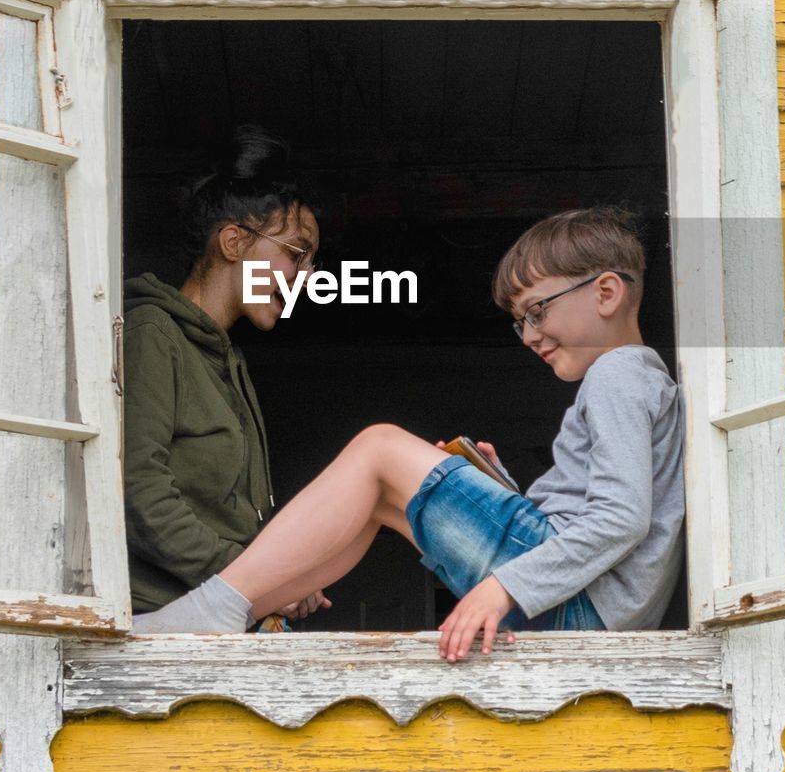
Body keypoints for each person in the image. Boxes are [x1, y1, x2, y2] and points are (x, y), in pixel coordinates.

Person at [133, 206, 685, 661]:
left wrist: (504, 587)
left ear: (606, 293)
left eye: (538, 311)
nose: (529, 335)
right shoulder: (636, 380)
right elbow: (596, 510)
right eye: (521, 321)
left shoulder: (618, 374)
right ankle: (241, 612)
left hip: (576, 604)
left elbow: (620, 517)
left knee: (378, 450)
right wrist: (500, 490)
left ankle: (212, 608)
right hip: (580, 604)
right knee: (380, 499)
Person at [122, 125, 329, 623]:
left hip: (222, 617)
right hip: (160, 624)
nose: (307, 276)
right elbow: (137, 490)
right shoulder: (151, 333)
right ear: (233, 242)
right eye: (297, 254)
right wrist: (249, 580)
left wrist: (283, 583)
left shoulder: (228, 360)